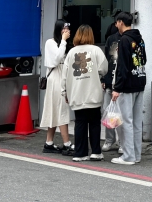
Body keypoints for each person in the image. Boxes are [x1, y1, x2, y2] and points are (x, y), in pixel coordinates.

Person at [62, 25, 108, 162]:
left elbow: (65, 75)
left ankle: (80, 153)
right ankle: (95, 151)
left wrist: (64, 92)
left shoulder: (71, 53)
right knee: (94, 122)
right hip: (93, 92)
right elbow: (104, 68)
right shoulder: (96, 50)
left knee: (80, 122)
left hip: (76, 93)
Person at [111, 11, 147, 165]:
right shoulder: (139, 38)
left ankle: (128, 156)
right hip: (139, 81)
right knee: (136, 122)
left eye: (116, 22)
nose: (115, 25)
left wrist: (117, 88)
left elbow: (122, 66)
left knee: (126, 121)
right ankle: (136, 155)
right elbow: (143, 59)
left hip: (127, 85)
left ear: (120, 22)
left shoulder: (124, 40)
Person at [42, 20, 73, 155]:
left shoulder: (62, 44)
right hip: (55, 77)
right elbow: (56, 59)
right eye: (64, 29)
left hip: (61, 76)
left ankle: (49, 142)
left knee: (55, 108)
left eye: (68, 29)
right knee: (61, 108)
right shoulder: (51, 42)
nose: (66, 32)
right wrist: (64, 41)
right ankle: (67, 143)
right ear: (59, 29)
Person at [101, 21, 123, 154]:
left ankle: (122, 142)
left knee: (121, 114)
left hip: (121, 83)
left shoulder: (128, 39)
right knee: (107, 111)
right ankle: (109, 140)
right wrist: (104, 78)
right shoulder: (111, 39)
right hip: (110, 80)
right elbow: (106, 60)